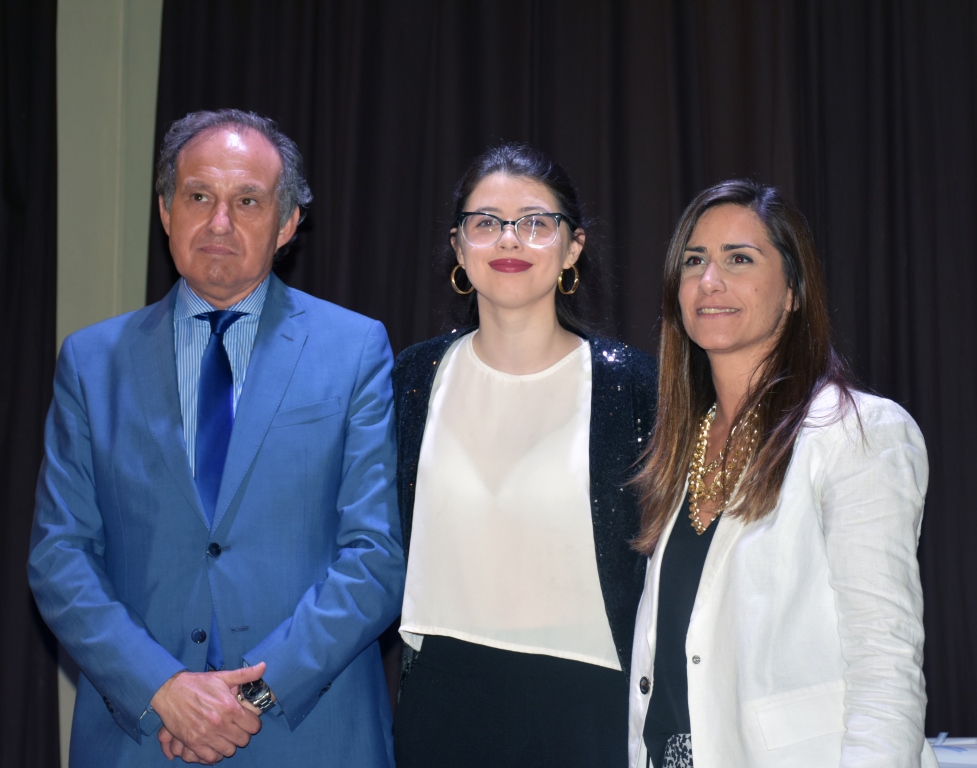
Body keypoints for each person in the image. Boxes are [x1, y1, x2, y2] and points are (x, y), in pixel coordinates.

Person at [28, 109, 404, 767]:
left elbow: (374, 554)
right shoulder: (91, 362)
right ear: (166, 211)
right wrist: (162, 688)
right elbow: (60, 555)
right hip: (140, 737)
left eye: (247, 201)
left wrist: (253, 695)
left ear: (287, 224)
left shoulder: (354, 349)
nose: (220, 221)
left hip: (306, 735)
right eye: (199, 196)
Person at [627, 179, 937, 768]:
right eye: (694, 261)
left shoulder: (857, 432)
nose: (710, 281)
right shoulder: (679, 445)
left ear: (793, 291)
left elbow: (886, 663)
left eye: (739, 259)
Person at [392, 142, 657, 766]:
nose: (509, 240)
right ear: (459, 248)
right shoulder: (411, 378)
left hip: (588, 706)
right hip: (441, 701)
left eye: (537, 223)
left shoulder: (636, 387)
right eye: (485, 223)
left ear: (573, 249)